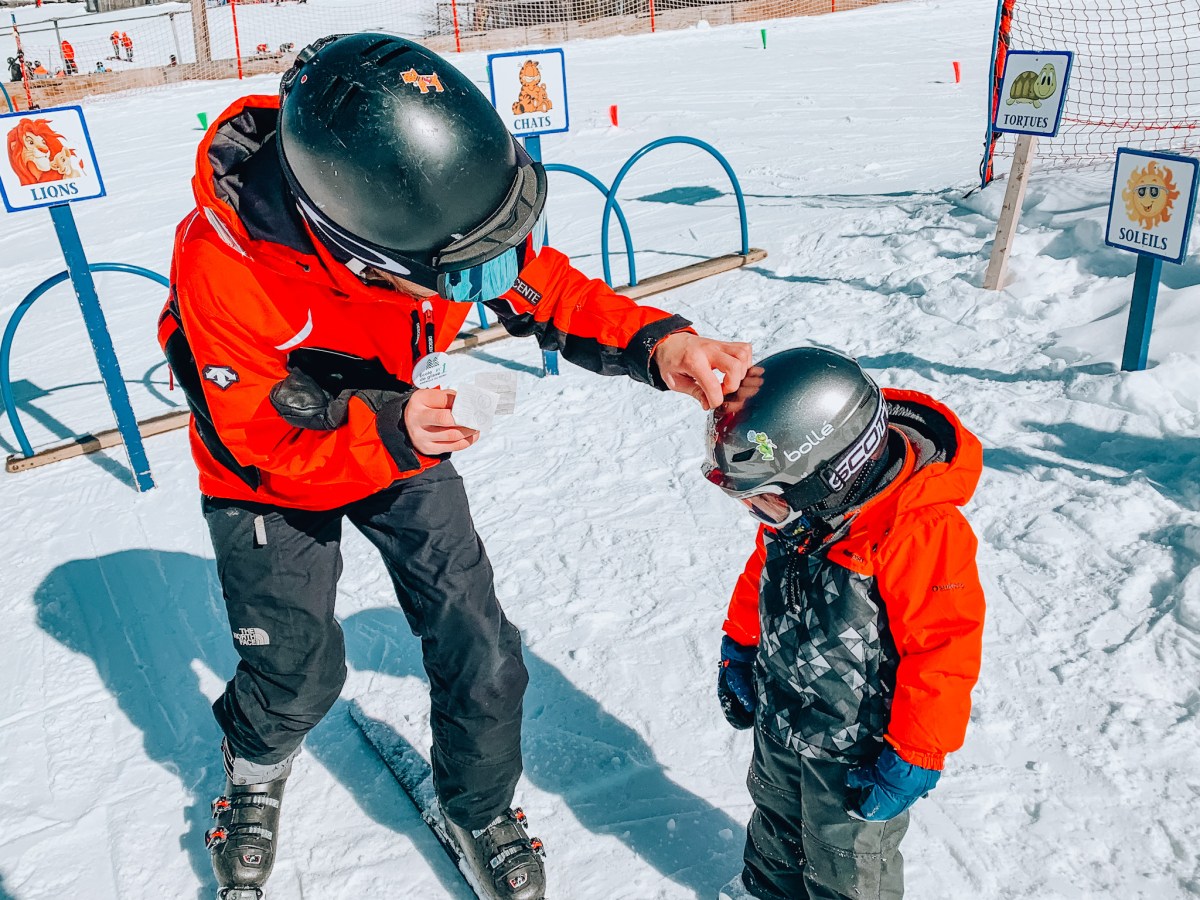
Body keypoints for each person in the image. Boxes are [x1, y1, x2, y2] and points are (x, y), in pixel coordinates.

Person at [158, 31, 752, 900]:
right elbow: (263, 440)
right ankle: (254, 767)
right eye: (454, 275)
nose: (480, 285)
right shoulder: (225, 264)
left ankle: (477, 805)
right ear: (361, 251)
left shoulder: (428, 216)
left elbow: (536, 283)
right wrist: (395, 432)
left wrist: (659, 345)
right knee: (296, 671)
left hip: (401, 429)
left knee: (481, 645)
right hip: (270, 472)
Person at [703, 347, 985, 900]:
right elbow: (761, 576)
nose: (761, 518)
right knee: (774, 828)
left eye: (767, 505)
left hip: (858, 751)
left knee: (846, 863)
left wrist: (916, 752)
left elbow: (944, 649)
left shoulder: (918, 532)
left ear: (830, 475)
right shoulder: (804, 514)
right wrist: (739, 646)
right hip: (781, 714)